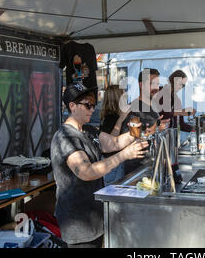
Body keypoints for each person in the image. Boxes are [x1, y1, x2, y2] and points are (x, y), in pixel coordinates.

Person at [50, 82, 148, 248]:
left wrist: (136, 130)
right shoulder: (66, 137)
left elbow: (114, 143)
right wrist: (124, 155)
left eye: (93, 105)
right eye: (87, 105)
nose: (92, 109)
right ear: (72, 106)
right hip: (77, 221)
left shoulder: (88, 130)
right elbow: (86, 172)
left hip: (94, 216)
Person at [119, 68, 169, 175]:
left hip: (152, 164)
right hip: (137, 169)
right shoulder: (134, 108)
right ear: (141, 85)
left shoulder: (153, 105)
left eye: (157, 84)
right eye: (152, 84)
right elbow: (131, 137)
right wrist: (153, 129)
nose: (156, 88)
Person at [100, 85, 130, 185]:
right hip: (112, 165)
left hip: (115, 163)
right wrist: (121, 119)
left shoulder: (112, 115)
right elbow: (110, 141)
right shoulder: (111, 117)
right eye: (122, 93)